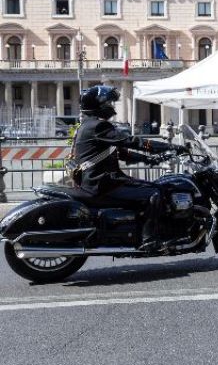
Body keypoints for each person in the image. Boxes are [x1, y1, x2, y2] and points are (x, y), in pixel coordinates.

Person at [72, 85, 187, 252]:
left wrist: (150, 159)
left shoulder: (89, 125)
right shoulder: (98, 126)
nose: (112, 105)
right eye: (109, 102)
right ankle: (149, 239)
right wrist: (169, 147)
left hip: (99, 180)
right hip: (102, 183)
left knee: (151, 187)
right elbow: (132, 141)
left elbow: (122, 153)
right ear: (99, 105)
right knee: (155, 194)